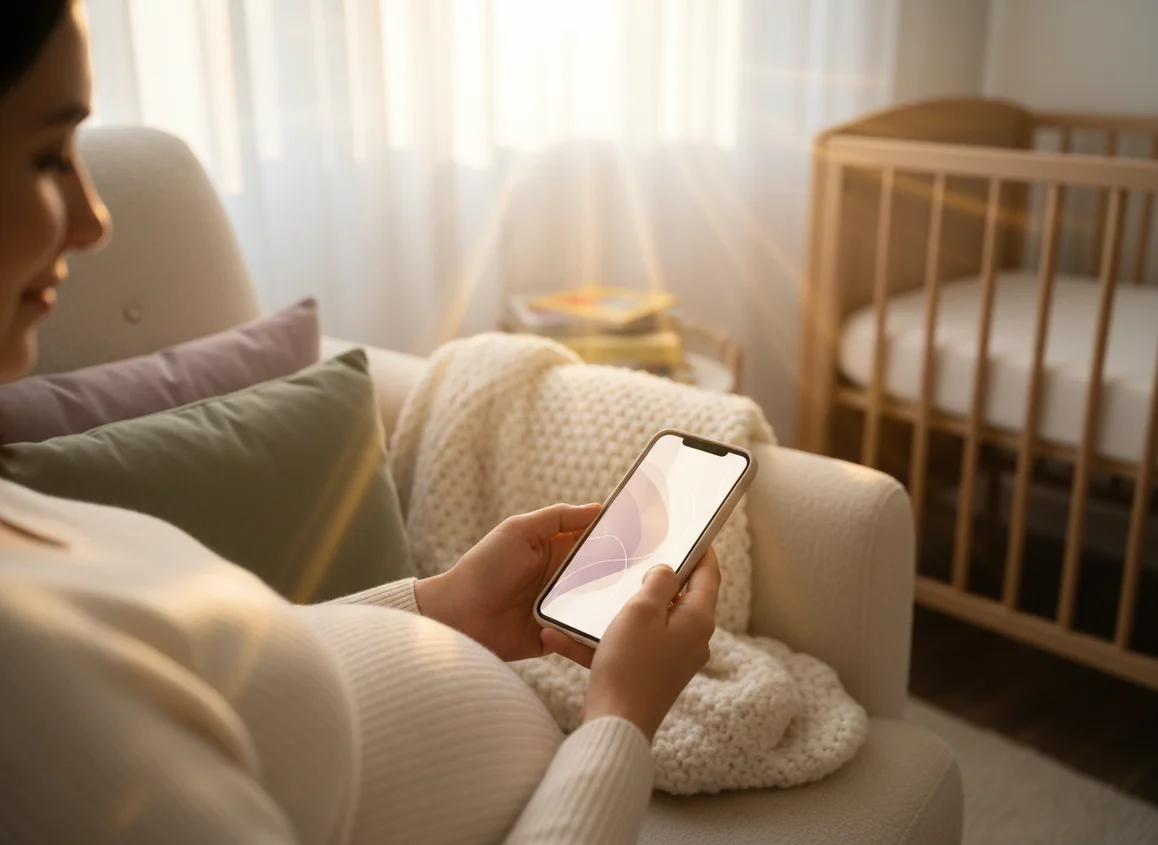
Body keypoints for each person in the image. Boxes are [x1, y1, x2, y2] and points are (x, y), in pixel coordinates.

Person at [0, 3, 720, 844]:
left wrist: (437, 607)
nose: (94, 220)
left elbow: (210, 670)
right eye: (49, 157)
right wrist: (622, 720)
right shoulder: (25, 682)